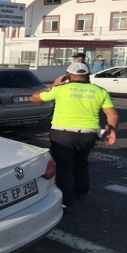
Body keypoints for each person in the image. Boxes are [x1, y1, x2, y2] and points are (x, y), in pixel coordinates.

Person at [29, 62, 119, 215]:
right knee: (81, 161)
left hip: (62, 134)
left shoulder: (61, 90)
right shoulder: (99, 91)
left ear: (68, 75)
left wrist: (53, 85)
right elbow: (113, 115)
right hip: (88, 134)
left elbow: (34, 98)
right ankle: (81, 191)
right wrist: (112, 132)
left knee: (64, 167)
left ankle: (65, 200)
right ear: (88, 75)